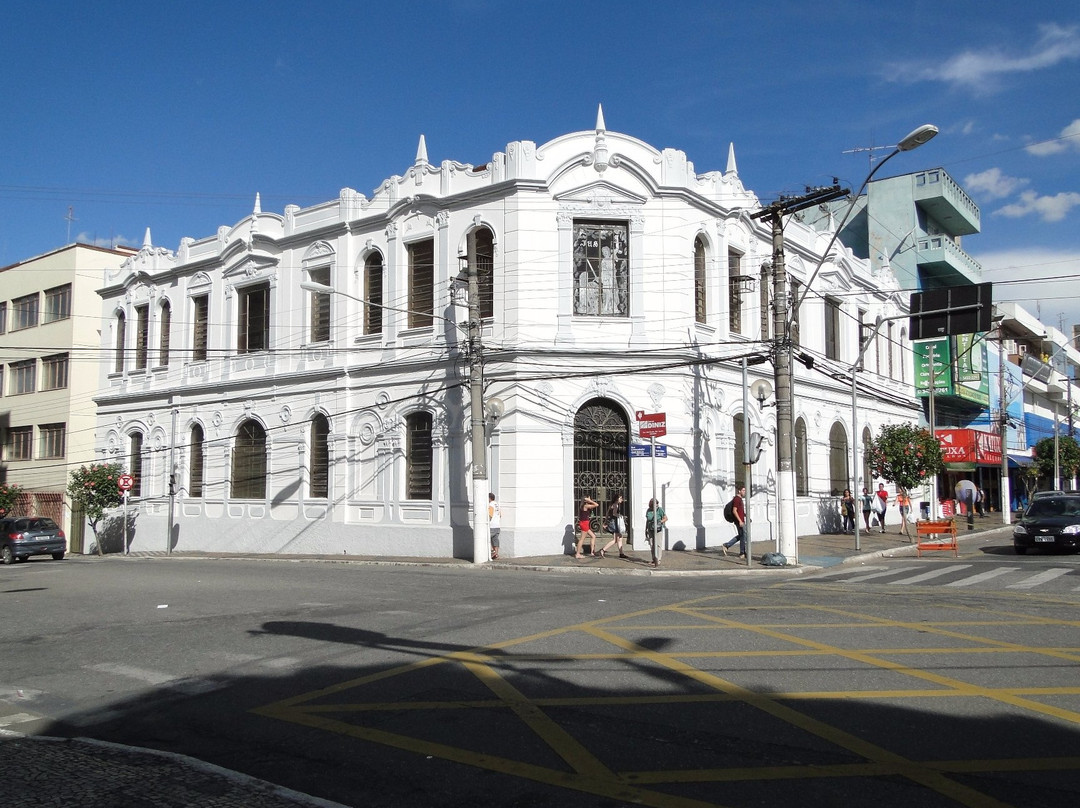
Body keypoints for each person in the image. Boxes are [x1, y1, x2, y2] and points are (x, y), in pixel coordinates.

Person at [599, 493, 628, 559]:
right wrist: (620, 516)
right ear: (617, 499)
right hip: (615, 523)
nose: (622, 499)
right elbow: (614, 514)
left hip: (613, 522)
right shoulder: (615, 505)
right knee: (615, 540)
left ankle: (621, 553)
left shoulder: (612, 505)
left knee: (620, 538)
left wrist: (605, 522)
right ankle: (603, 550)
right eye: (620, 498)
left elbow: (607, 514)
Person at [722, 485, 747, 556]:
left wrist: (746, 516)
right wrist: (740, 521)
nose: (744, 492)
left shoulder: (739, 499)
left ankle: (727, 545)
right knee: (743, 536)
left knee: (742, 535)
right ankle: (742, 552)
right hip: (739, 521)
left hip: (741, 520)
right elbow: (734, 511)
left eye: (745, 490)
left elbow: (740, 511)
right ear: (739, 491)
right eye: (743, 490)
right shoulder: (737, 499)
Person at [644, 497, 667, 566]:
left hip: (658, 529)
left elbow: (665, 518)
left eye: (657, 504)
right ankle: (654, 559)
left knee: (658, 544)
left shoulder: (660, 510)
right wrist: (646, 529)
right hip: (650, 529)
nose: (656, 506)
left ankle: (658, 560)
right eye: (655, 504)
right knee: (652, 544)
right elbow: (647, 520)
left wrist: (660, 522)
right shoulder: (648, 510)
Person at [575, 494, 599, 559]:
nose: (590, 498)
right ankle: (577, 554)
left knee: (593, 536)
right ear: (586, 499)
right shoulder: (585, 505)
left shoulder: (584, 506)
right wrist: (590, 500)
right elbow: (596, 505)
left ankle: (592, 552)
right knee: (582, 539)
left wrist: (589, 500)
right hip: (584, 523)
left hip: (585, 523)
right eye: (588, 498)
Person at [488, 492, 501, 559]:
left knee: (487, 539)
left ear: (489, 498)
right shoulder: (497, 504)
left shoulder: (490, 505)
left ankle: (492, 552)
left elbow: (490, 515)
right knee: (495, 540)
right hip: (497, 525)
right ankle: (496, 554)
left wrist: (487, 522)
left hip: (492, 526)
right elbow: (500, 515)